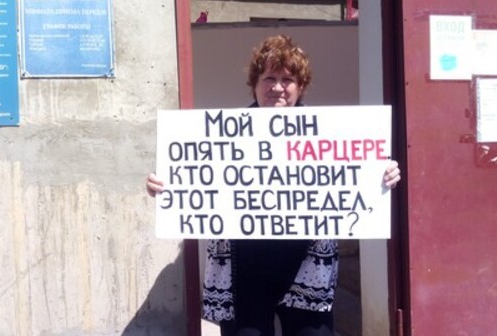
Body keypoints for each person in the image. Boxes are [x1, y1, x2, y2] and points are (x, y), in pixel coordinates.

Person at [146, 34, 401, 336]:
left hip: (306, 263)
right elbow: (198, 177)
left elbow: (354, 178)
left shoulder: (332, 136)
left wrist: (380, 175)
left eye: (287, 79)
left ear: (300, 86)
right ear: (254, 84)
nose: (277, 88)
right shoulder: (220, 137)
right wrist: (168, 185)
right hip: (245, 266)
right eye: (269, 78)